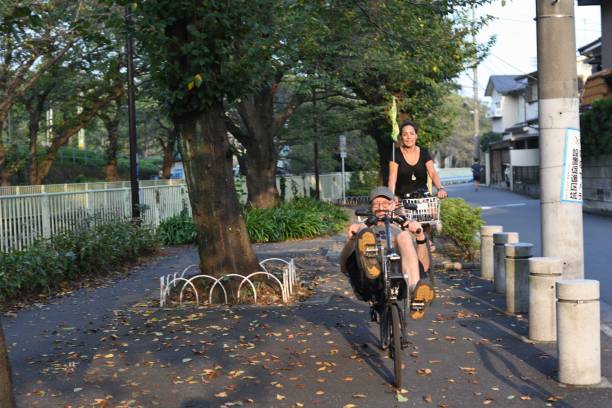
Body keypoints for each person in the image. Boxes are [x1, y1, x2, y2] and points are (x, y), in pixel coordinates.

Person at [340, 186, 434, 320]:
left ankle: (415, 295)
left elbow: (423, 266)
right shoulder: (362, 227)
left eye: (385, 203)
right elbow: (344, 267)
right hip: (369, 283)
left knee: (404, 237)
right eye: (376, 204)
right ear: (371, 208)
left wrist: (420, 237)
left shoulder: (403, 227)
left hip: (400, 279)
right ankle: (370, 261)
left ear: (393, 205)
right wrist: (351, 240)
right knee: (363, 231)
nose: (380, 207)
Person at [387, 120, 447, 200]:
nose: (409, 137)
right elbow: (392, 178)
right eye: (405, 134)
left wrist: (440, 188)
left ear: (416, 136)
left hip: (423, 197)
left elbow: (432, 173)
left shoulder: (424, 152)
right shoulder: (395, 154)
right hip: (402, 199)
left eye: (412, 134)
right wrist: (391, 196)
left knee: (432, 211)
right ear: (401, 137)